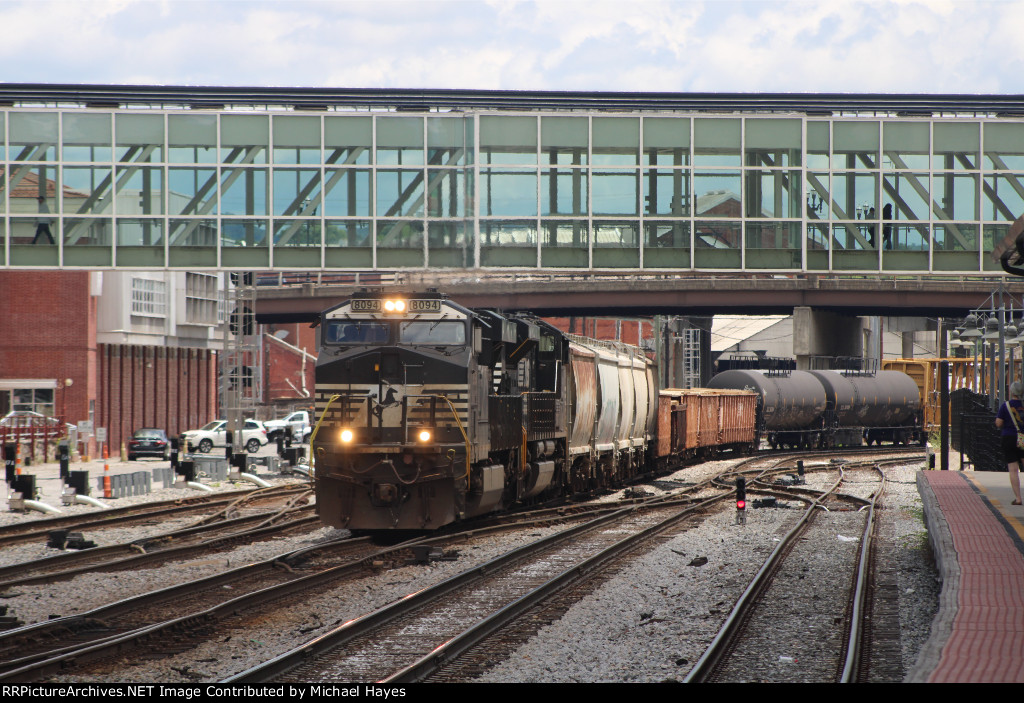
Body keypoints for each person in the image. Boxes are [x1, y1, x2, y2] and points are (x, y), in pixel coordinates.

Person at [995, 381, 1024, 505]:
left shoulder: (1005, 406)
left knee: (1013, 470)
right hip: (1023, 439)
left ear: (1011, 392)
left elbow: (998, 423)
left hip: (1009, 438)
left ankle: (1018, 498)